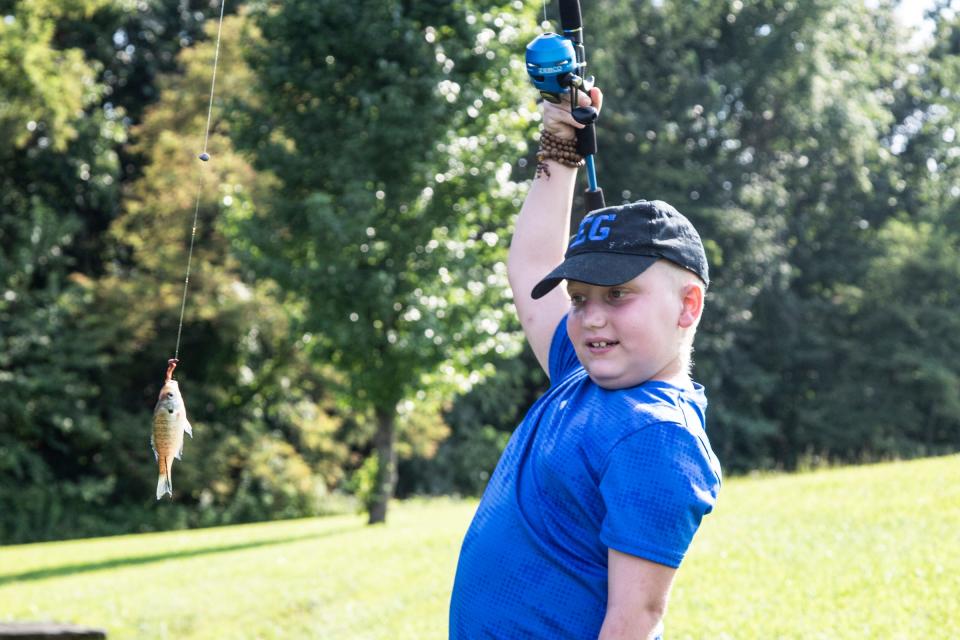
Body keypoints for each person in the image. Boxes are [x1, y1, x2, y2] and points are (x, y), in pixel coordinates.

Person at [448, 86, 722, 639]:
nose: (591, 317)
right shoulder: (584, 372)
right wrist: (559, 140)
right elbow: (530, 263)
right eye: (578, 298)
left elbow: (635, 617)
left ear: (687, 305)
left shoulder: (658, 436)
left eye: (617, 294)